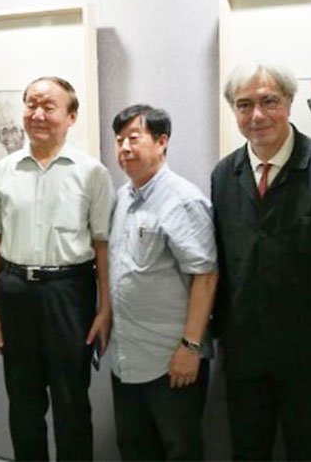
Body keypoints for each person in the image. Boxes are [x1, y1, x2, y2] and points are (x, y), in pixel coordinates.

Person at [211, 63, 311, 460]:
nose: (257, 115)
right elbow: (222, 264)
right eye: (244, 105)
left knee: (309, 452)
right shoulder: (224, 175)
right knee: (247, 452)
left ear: (289, 102)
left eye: (269, 101)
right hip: (245, 355)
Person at [0, 76, 114, 461]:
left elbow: (103, 245)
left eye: (48, 106)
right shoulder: (1, 171)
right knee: (23, 402)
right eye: (31, 104)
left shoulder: (92, 173)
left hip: (69, 293)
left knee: (72, 402)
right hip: (15, 291)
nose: (37, 114)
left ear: (71, 116)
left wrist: (105, 309)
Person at [108, 104, 218, 460]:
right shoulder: (123, 196)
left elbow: (205, 276)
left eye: (134, 138)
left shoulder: (182, 200)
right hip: (128, 357)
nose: (125, 148)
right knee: (135, 449)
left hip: (171, 360)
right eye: (119, 140)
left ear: (161, 142)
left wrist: (191, 347)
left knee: (179, 451)